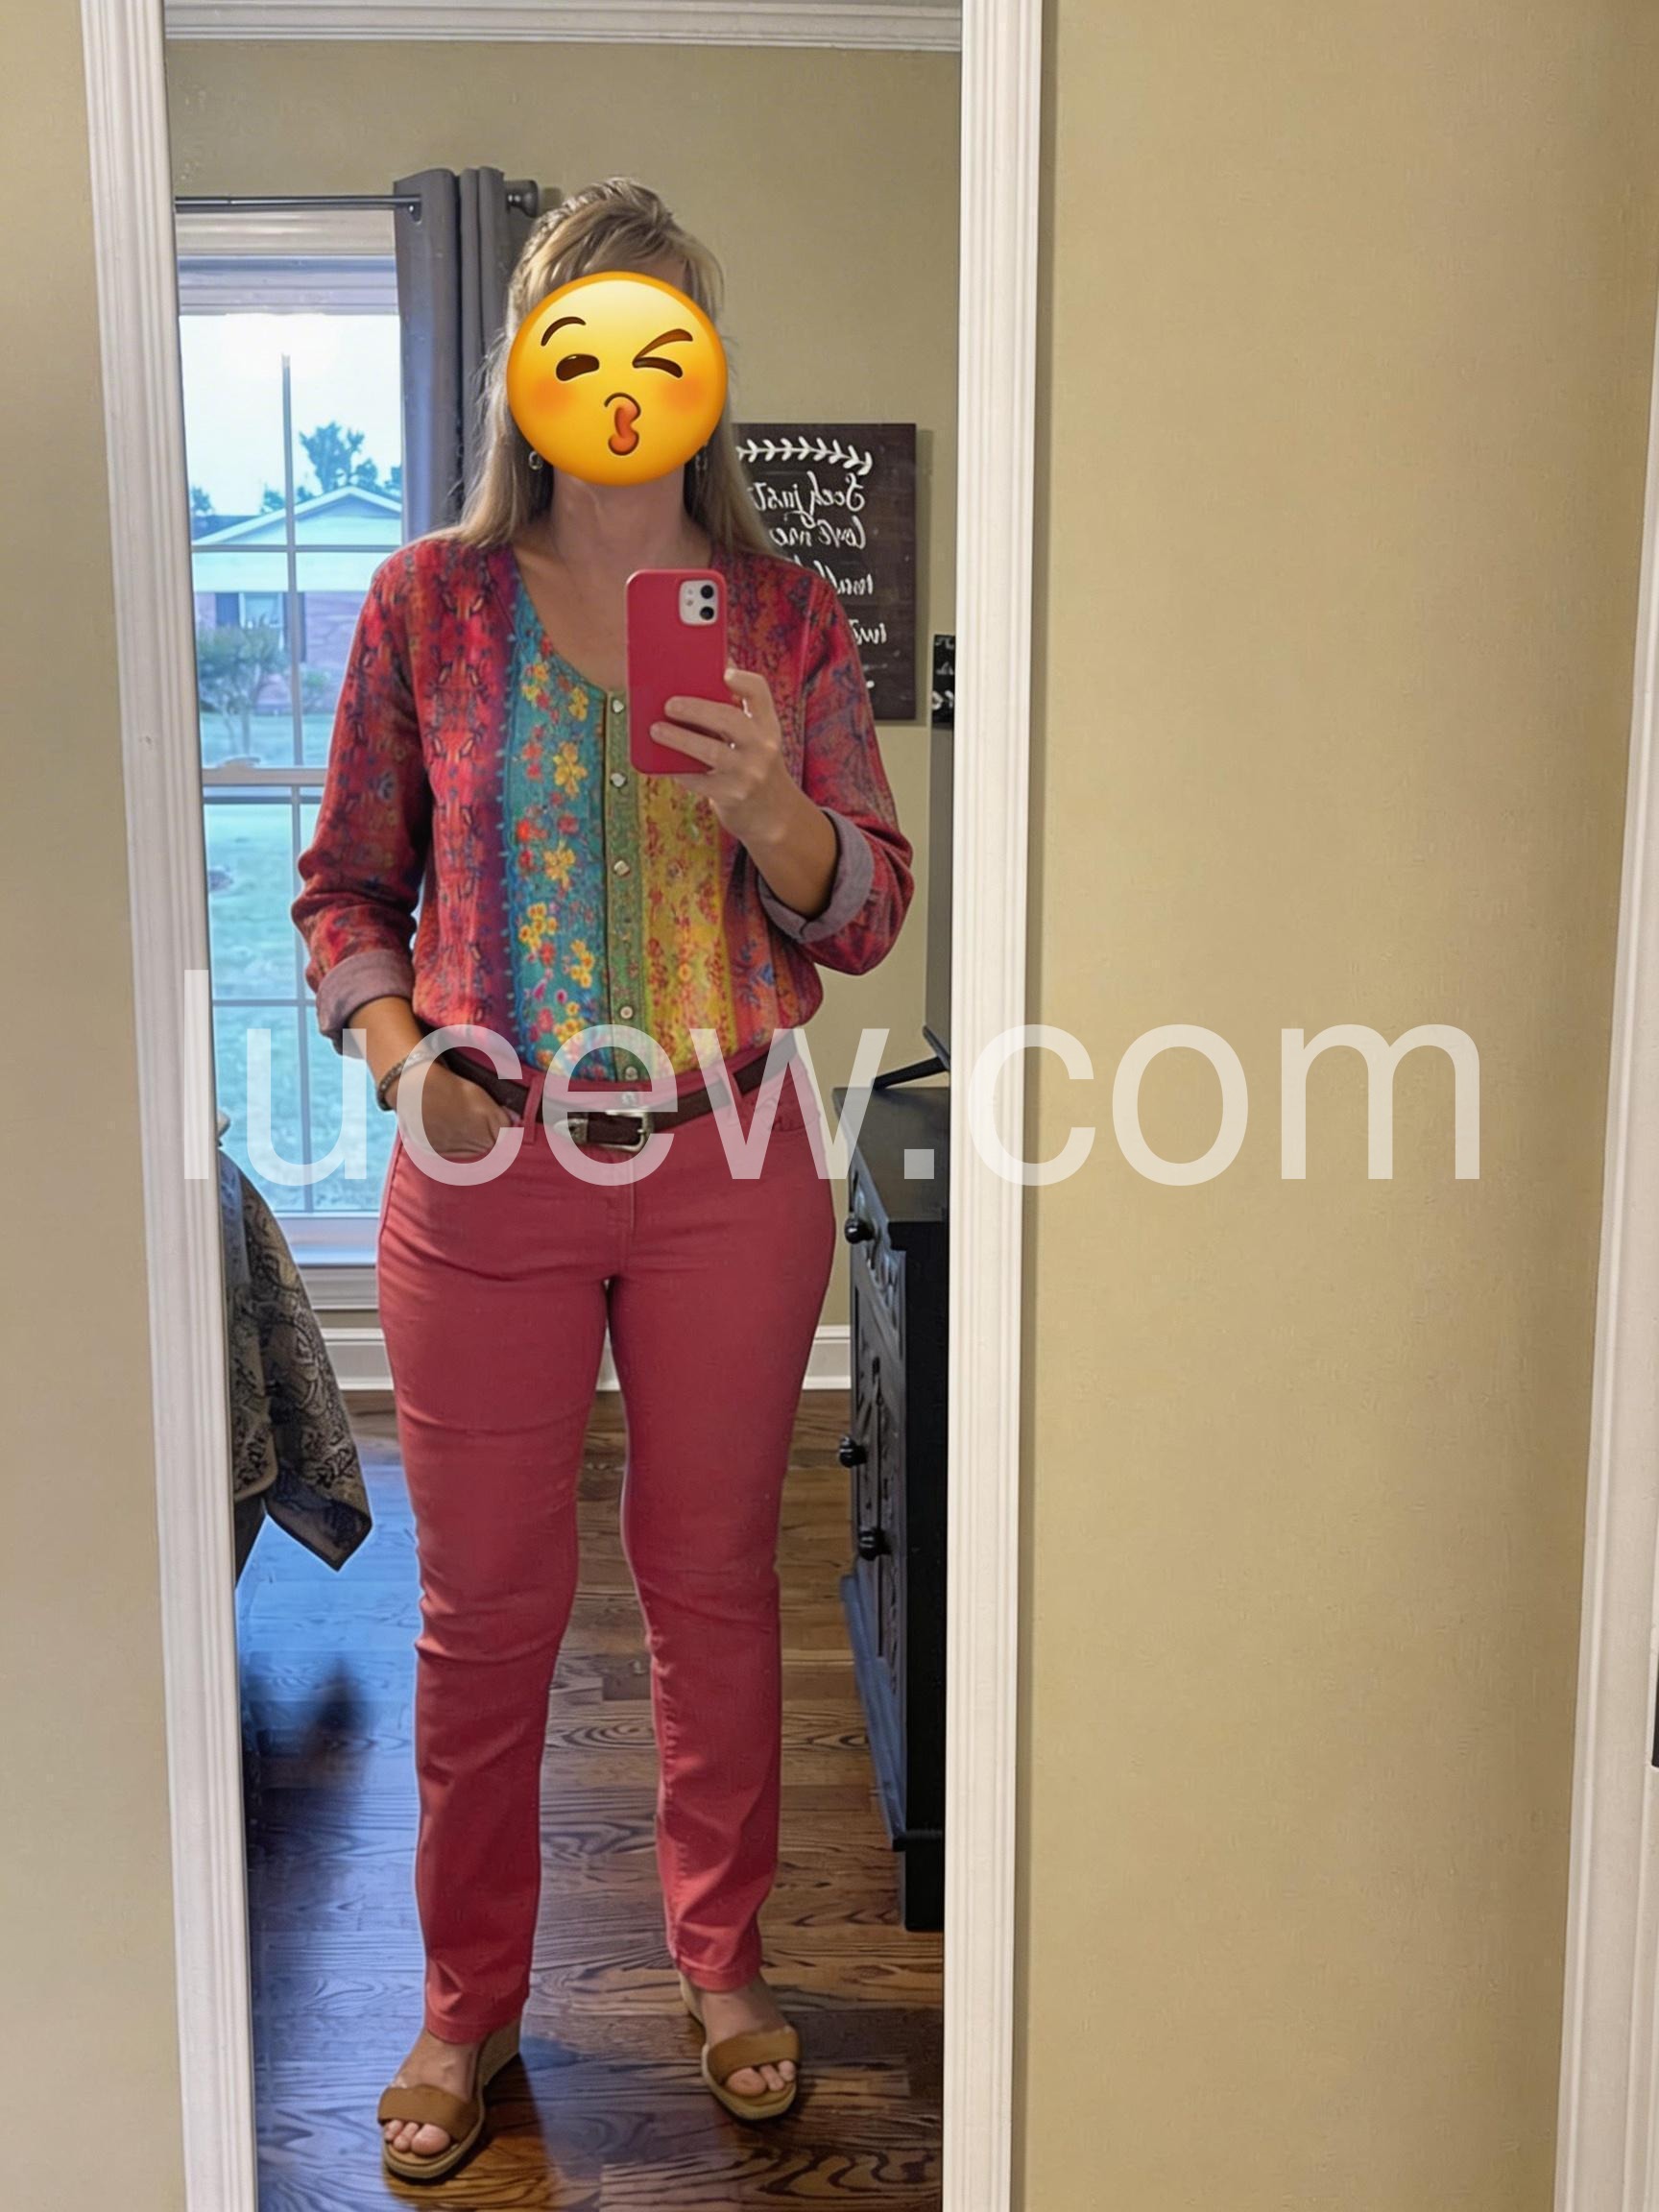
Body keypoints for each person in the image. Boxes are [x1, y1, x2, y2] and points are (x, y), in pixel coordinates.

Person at [290, 176, 913, 2184]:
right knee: (485, 1612)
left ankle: (723, 1964)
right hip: (486, 1173)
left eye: (662, 337)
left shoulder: (787, 617)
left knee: (716, 1584)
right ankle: (466, 2000)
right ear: (524, 372)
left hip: (734, 1155)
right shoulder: (425, 605)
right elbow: (344, 891)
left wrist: (776, 810)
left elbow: (869, 912)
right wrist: (406, 1066)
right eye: (587, 337)